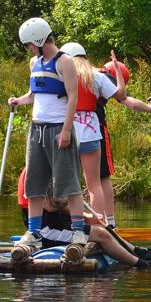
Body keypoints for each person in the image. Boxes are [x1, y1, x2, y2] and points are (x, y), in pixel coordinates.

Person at [7, 17, 85, 258]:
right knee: (34, 182)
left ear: (40, 40)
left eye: (30, 44)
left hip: (58, 129)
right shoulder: (35, 62)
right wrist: (18, 101)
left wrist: (65, 131)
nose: (28, 48)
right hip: (37, 129)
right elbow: (34, 94)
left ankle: (79, 231)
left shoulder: (65, 62)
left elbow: (73, 98)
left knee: (68, 182)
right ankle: (34, 232)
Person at [58, 43, 124, 221]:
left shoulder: (62, 76)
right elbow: (122, 95)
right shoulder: (96, 76)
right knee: (96, 184)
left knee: (70, 185)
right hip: (93, 134)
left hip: (68, 134)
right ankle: (101, 224)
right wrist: (117, 70)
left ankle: (74, 225)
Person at [94, 61, 151, 228]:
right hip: (96, 130)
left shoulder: (81, 72)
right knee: (103, 177)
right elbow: (128, 101)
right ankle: (109, 223)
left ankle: (77, 223)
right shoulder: (105, 78)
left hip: (68, 129)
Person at [34, 196, 151, 269]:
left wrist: (88, 216)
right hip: (48, 233)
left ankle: (139, 252)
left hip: (60, 225)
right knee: (101, 234)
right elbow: (52, 205)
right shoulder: (40, 174)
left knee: (105, 229)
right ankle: (142, 264)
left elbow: (62, 205)